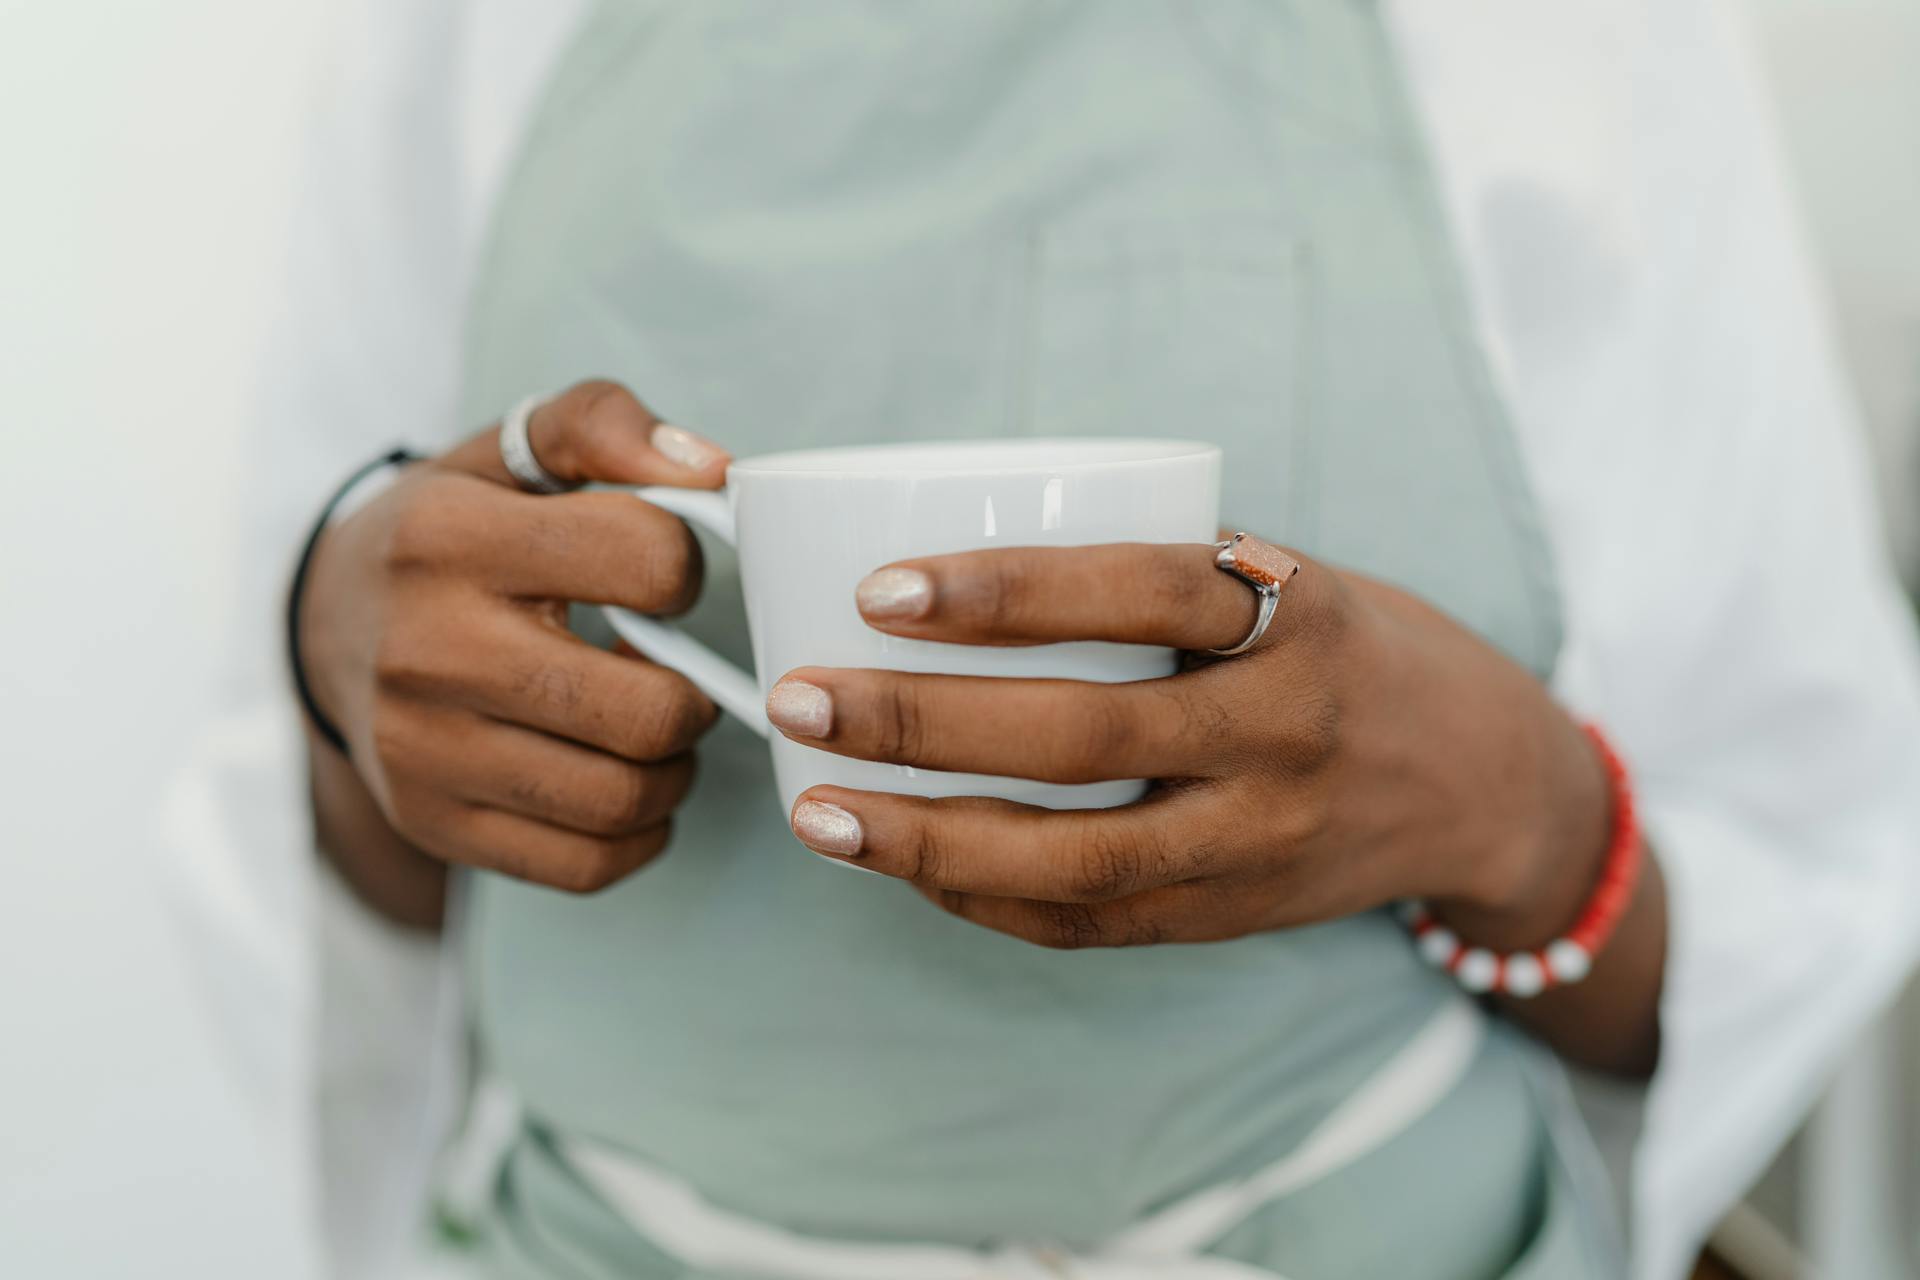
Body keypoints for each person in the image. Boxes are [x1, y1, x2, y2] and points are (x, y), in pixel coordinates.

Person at [175, 1, 1920, 1277]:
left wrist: (1519, 810)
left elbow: (1798, 863)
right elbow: (362, 925)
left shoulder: (1586, 47)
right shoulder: (447, 36)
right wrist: (337, 669)